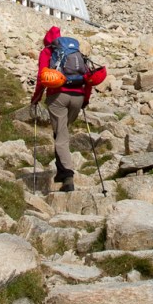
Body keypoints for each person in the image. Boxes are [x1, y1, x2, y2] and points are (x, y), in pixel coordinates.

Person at [30, 26, 94, 191]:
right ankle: (60, 171)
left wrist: (35, 99)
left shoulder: (47, 52)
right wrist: (85, 99)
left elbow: (42, 77)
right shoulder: (74, 52)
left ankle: (67, 176)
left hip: (58, 96)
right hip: (78, 95)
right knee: (62, 131)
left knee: (61, 136)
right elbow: (88, 77)